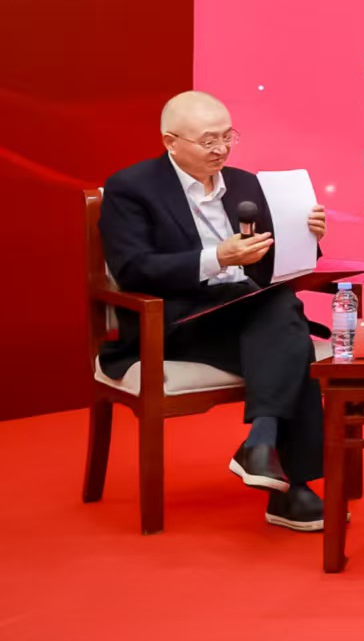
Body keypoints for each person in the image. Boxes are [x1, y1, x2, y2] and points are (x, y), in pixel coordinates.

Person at [97, 91, 331, 532]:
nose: (221, 149)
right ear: (171, 142)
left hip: (244, 310)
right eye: (208, 140)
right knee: (290, 336)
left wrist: (309, 237)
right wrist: (216, 258)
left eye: (228, 137)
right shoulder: (132, 188)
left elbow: (273, 263)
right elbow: (132, 269)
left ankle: (263, 444)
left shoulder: (245, 183)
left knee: (279, 307)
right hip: (173, 320)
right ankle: (287, 482)